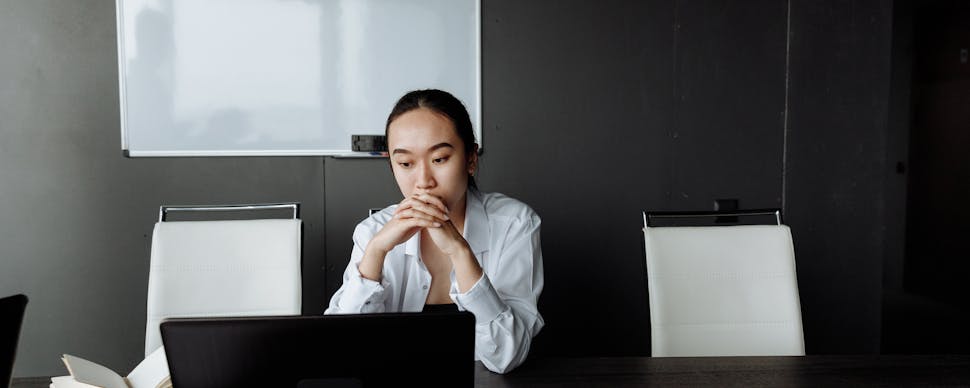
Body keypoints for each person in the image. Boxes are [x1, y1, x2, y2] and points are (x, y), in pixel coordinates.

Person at [325, 89, 544, 374]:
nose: (423, 181)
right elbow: (340, 352)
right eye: (405, 164)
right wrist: (376, 252)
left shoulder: (514, 224)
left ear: (470, 159)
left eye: (439, 159)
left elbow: (505, 356)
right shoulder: (373, 233)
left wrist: (459, 250)